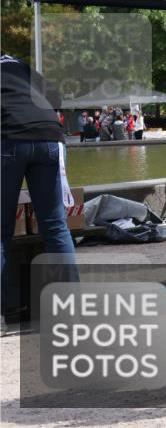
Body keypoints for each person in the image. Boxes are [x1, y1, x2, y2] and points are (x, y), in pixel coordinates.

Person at [1, 54, 78, 325]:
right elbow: (56, 99)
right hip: (50, 139)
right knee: (56, 227)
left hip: (9, 139)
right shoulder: (18, 65)